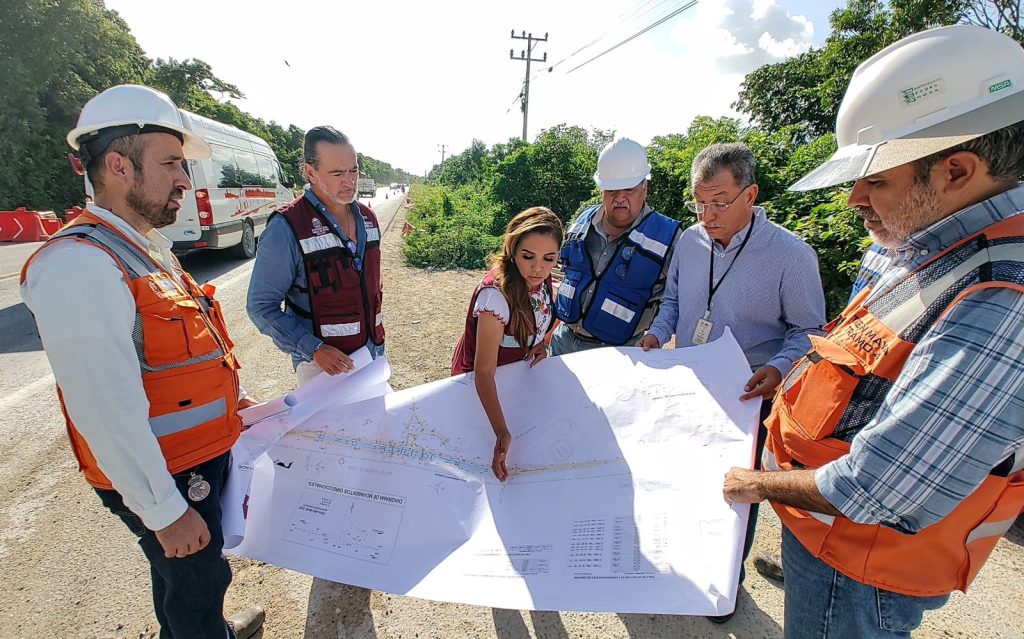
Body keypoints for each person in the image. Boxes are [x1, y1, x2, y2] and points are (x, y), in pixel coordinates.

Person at [722, 25, 1024, 638]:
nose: (855, 197)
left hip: (862, 568)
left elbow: (881, 486)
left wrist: (751, 482)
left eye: (876, 178)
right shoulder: (918, 239)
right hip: (822, 532)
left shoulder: (1004, 297)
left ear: (958, 170)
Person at [20, 85, 264, 638]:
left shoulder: (145, 247)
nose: (185, 179)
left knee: (190, 577)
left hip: (190, 461)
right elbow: (105, 408)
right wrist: (163, 511)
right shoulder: (79, 265)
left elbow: (170, 357)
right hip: (169, 476)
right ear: (116, 166)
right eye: (171, 163)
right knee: (197, 580)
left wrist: (233, 404)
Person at [639, 142, 825, 622]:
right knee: (685, 476)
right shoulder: (690, 242)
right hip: (693, 385)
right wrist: (658, 333)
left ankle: (725, 580)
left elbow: (809, 331)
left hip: (752, 396)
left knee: (736, 490)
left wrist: (780, 368)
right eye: (699, 202)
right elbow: (675, 302)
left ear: (751, 194)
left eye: (720, 202)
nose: (708, 214)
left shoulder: (790, 254)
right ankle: (685, 562)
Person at [247, 126, 385, 385]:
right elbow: (260, 307)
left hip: (373, 354)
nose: (349, 181)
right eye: (337, 173)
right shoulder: (286, 228)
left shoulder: (368, 219)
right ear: (310, 172)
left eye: (353, 170)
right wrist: (313, 349)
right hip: (324, 369)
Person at [452, 207, 563, 481]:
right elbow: (484, 372)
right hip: (481, 390)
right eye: (528, 257)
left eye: (549, 258)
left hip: (515, 386)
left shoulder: (541, 278)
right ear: (512, 250)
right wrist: (501, 431)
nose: (539, 267)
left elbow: (548, 317)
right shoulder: (494, 297)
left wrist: (542, 341)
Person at [551, 137, 682, 355]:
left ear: (644, 188)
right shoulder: (583, 220)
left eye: (629, 190)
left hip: (621, 353)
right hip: (563, 341)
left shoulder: (669, 237)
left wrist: (658, 333)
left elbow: (674, 299)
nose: (620, 198)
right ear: (602, 190)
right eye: (612, 190)